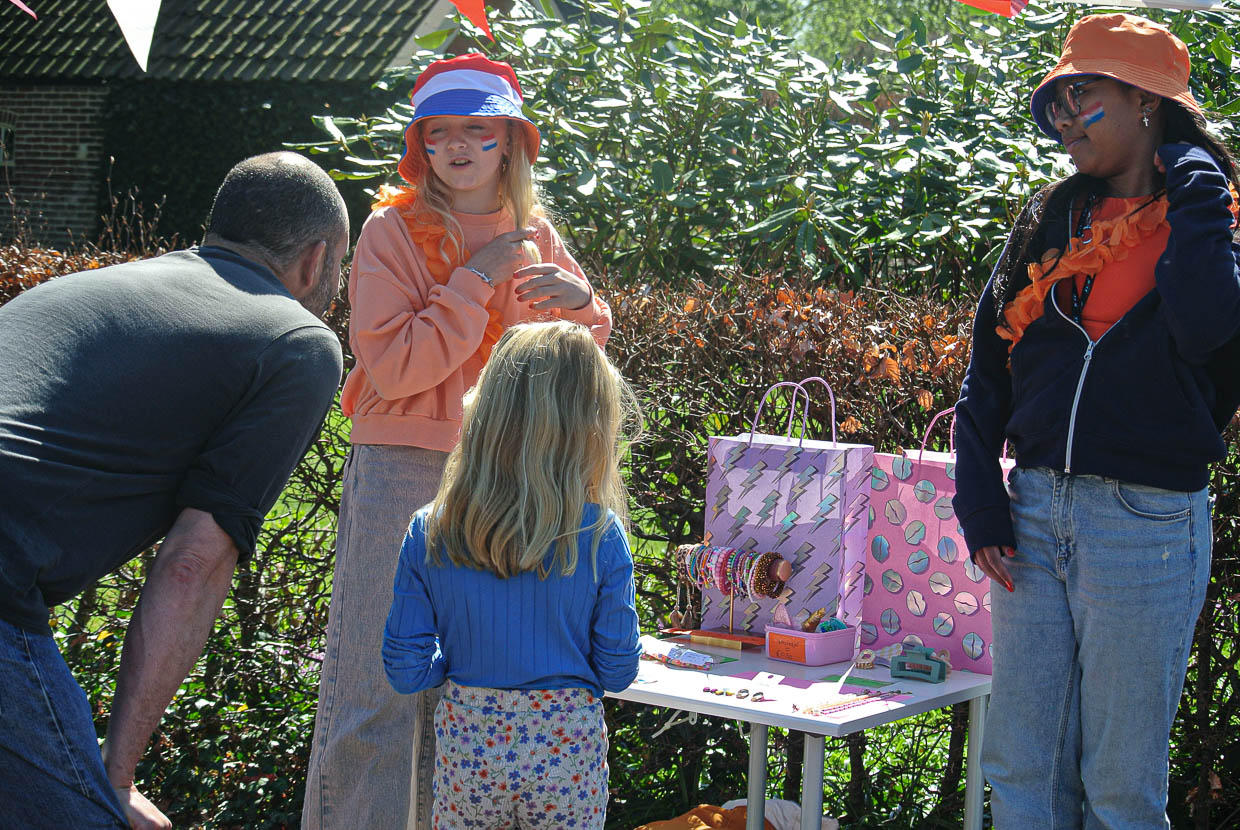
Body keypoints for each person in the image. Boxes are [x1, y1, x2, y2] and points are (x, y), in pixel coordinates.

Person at [301, 53, 613, 830]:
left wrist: (585, 305)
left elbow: (570, 368)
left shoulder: (534, 234)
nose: (460, 146)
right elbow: (397, 367)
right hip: (402, 465)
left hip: (503, 477)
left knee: (474, 689)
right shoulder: (389, 230)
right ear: (421, 147)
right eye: (440, 133)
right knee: (378, 687)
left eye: (479, 129)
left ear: (511, 144)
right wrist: (474, 279)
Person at [0, 152, 348, 830]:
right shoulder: (298, 342)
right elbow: (193, 561)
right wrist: (115, 778)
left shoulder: (76, 289)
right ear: (315, 260)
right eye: (343, 263)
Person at [953, 13, 1240, 829]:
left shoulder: (1215, 217)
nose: (1065, 118)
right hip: (1032, 512)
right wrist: (980, 500)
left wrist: (1197, 189)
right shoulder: (1051, 217)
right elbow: (987, 368)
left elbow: (1205, 328)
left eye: (1084, 94)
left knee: (1119, 787)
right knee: (1021, 769)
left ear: (1148, 102)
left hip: (1146, 523)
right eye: (1057, 101)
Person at [382, 320, 642, 827]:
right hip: (566, 750)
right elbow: (617, 670)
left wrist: (458, 666)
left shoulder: (431, 530)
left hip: (469, 742)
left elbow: (405, 669)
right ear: (591, 428)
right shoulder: (600, 535)